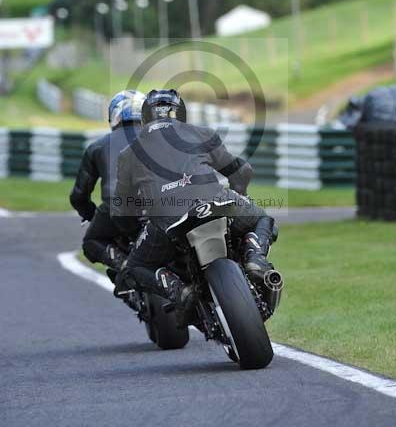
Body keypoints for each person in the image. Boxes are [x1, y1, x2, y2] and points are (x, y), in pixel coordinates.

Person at [112, 89, 278, 316]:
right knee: (261, 219)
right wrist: (240, 193)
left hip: (166, 218)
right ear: (181, 112)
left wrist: (132, 228)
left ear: (145, 117)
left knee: (135, 268)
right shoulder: (202, 133)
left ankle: (179, 291)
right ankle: (255, 258)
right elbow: (242, 170)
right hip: (215, 201)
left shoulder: (128, 153)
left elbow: (121, 207)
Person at [70, 89, 145, 272]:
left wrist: (90, 214)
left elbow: (79, 196)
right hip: (164, 202)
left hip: (118, 205)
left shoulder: (98, 146)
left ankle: (125, 266)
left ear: (115, 115)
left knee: (91, 242)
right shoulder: (161, 138)